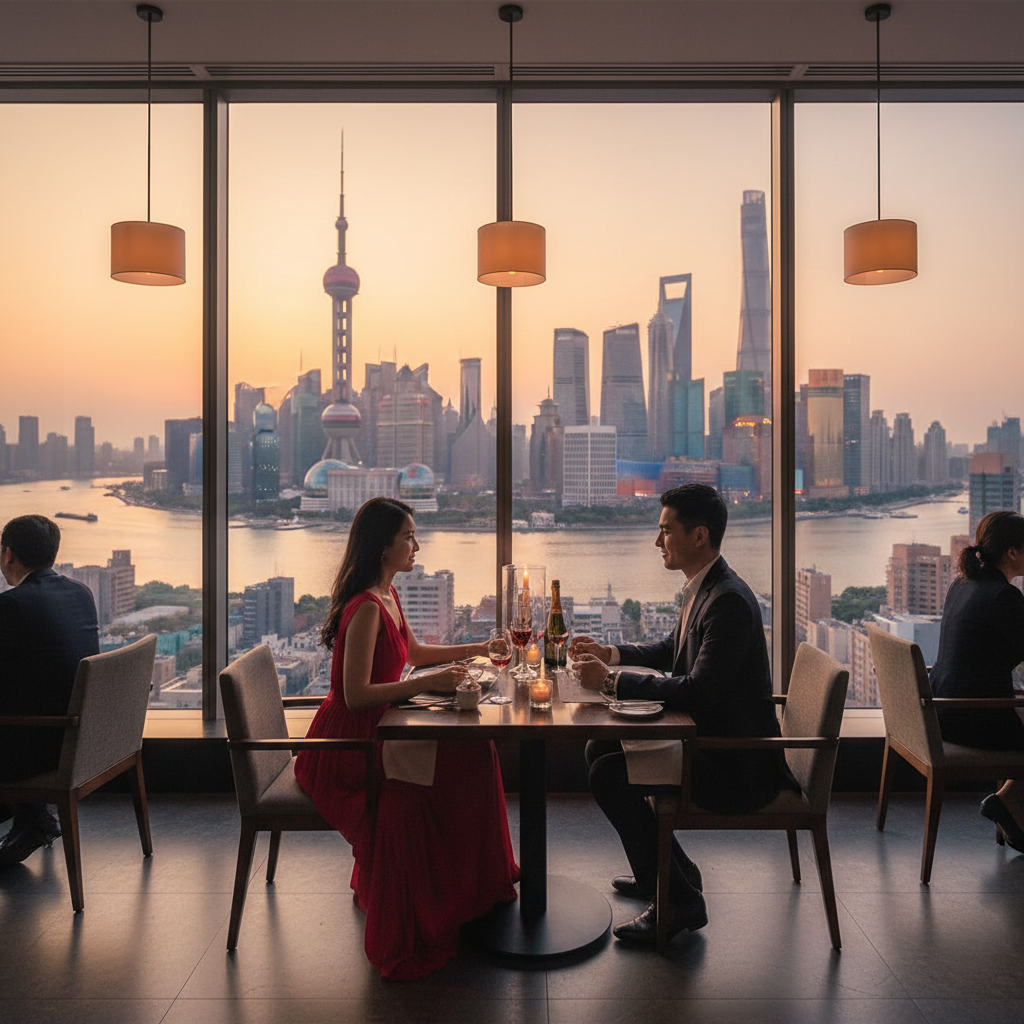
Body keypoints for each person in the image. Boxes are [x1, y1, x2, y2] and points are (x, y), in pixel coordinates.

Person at [294, 496, 518, 980]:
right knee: (451, 773)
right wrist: (424, 685)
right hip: (347, 747)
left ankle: (472, 890)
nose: (417, 545)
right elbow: (355, 697)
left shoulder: (388, 594)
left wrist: (478, 647)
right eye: (409, 536)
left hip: (380, 729)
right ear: (383, 547)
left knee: (477, 750)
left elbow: (413, 652)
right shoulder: (367, 608)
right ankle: (454, 897)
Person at [570, 483, 797, 944]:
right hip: (711, 743)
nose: (657, 543)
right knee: (600, 746)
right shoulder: (706, 587)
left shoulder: (728, 601)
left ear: (698, 535)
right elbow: (672, 650)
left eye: (665, 531)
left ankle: (678, 901)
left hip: (737, 762)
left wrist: (610, 682)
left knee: (608, 775)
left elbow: (699, 691)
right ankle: (671, 872)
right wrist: (610, 653)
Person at [0, 514, 99, 868]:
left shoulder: (13, 605)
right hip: (79, 738)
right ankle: (32, 820)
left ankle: (31, 818)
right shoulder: (80, 593)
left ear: (8, 555)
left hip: (42, 745)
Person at [929, 509, 1024, 850]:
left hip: (943, 711)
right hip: (978, 718)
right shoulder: (1005, 597)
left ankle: (1008, 802)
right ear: (1012, 552)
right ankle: (1007, 801)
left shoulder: (962, 584)